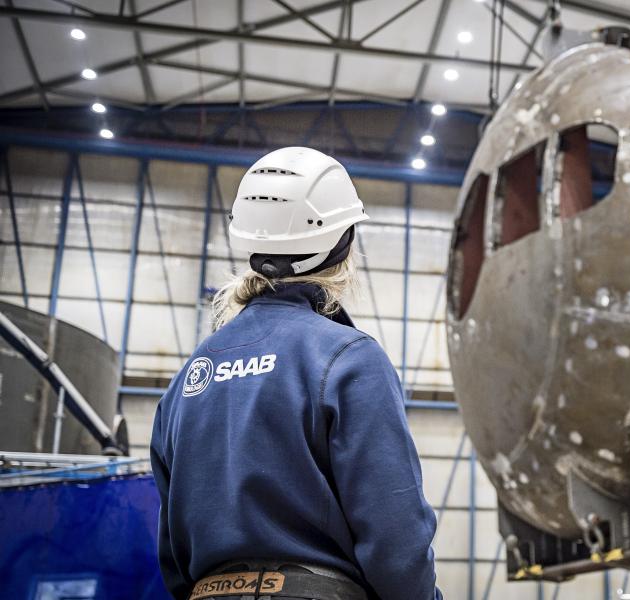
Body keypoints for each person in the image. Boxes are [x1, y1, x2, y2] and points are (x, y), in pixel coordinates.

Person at [150, 147, 442, 600]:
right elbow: (396, 539)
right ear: (343, 244)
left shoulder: (189, 377)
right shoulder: (349, 359)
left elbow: (171, 549)